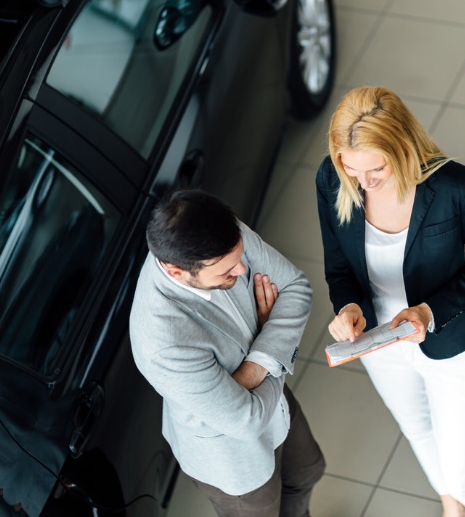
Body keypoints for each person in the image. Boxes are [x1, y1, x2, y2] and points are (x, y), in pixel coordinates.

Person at [315, 86, 465, 517]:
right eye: (352, 172)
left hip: (450, 343)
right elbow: (339, 269)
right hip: (380, 343)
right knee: (419, 429)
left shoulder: (456, 186)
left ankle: (461, 498)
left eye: (376, 171)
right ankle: (451, 508)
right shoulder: (332, 180)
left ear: (401, 146)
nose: (363, 185)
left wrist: (428, 311)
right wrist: (349, 308)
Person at [130, 189, 325, 517]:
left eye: (239, 260)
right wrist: (271, 343)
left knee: (308, 471)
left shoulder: (220, 236)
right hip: (232, 457)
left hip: (271, 401)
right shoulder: (162, 343)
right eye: (226, 272)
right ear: (177, 272)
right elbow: (245, 421)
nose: (241, 273)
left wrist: (257, 363)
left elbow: (296, 288)